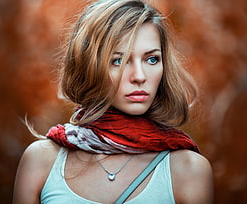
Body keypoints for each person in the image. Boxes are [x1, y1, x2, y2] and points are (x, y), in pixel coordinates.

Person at [13, 0, 214, 203]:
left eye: (151, 59)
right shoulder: (42, 161)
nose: (139, 76)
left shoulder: (189, 170)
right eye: (118, 60)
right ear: (90, 66)